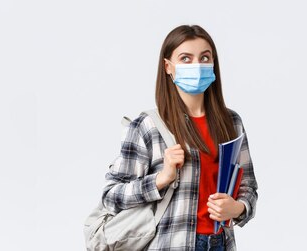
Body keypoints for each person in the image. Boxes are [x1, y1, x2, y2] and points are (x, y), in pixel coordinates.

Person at [101, 25, 258, 251]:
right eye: (186, 58)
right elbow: (110, 196)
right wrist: (161, 178)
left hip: (220, 244)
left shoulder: (231, 122)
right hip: (169, 243)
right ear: (168, 67)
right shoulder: (148, 126)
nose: (197, 65)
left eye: (205, 58)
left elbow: (248, 185)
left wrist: (238, 208)